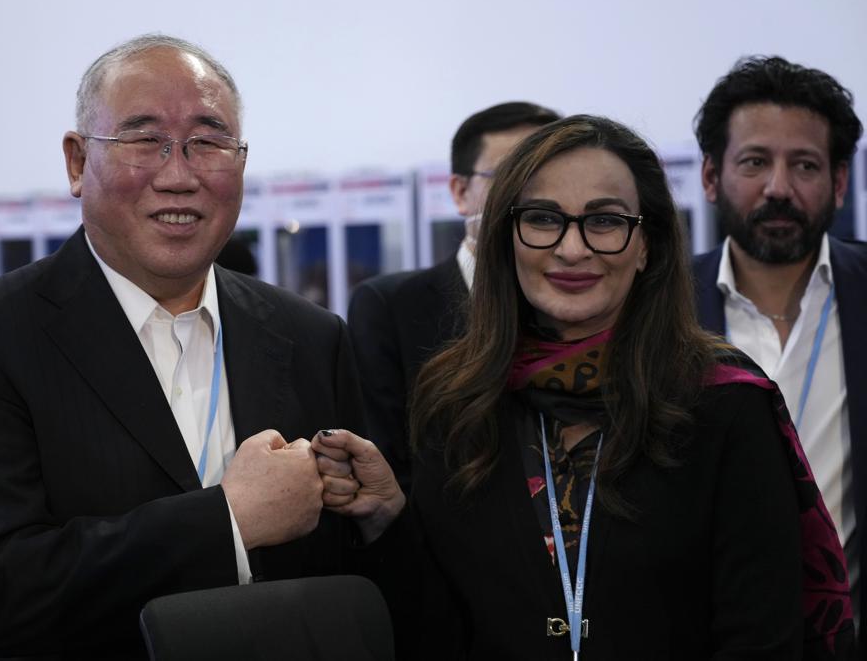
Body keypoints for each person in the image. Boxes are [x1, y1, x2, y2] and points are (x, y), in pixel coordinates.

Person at [316, 115, 854, 659]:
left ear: (646, 245)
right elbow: (437, 626)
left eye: (605, 221)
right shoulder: (457, 400)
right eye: (544, 219)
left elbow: (761, 635)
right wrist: (389, 521)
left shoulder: (724, 400)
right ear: (507, 238)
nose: (572, 249)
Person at [0, 34, 367, 660]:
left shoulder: (312, 336)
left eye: (208, 142)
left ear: (240, 161)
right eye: (143, 140)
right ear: (78, 163)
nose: (179, 174)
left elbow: (353, 574)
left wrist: (382, 514)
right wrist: (228, 521)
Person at [692, 56, 867, 638]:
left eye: (805, 165)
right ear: (711, 177)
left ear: (840, 183)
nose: (779, 188)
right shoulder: (656, 308)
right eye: (755, 161)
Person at [347, 102, 560, 492]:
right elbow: (386, 469)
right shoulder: (390, 308)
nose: (536, 198)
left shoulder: (578, 304)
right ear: (461, 192)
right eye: (512, 176)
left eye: (551, 180)